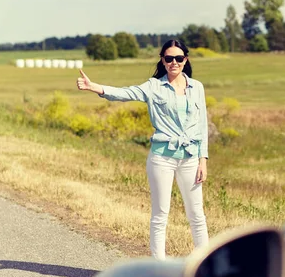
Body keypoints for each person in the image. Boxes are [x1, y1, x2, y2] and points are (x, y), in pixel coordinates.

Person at [76, 39, 210, 259]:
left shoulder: (197, 87)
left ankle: (206, 267)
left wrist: (203, 159)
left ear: (185, 60)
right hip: (162, 159)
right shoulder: (154, 86)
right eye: (169, 58)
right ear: (163, 61)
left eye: (178, 58)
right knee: (160, 214)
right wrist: (95, 88)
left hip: (190, 158)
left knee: (197, 215)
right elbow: (125, 93)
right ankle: (159, 267)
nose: (174, 62)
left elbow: (202, 124)